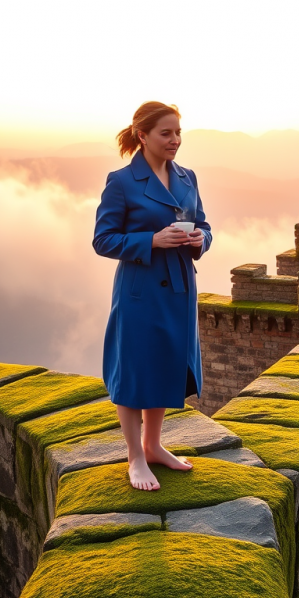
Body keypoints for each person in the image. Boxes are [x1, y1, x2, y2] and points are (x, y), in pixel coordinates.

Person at [93, 102, 212, 491]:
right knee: (135, 369)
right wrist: (152, 240)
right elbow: (103, 240)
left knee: (164, 364)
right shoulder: (122, 181)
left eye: (178, 132)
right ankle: (135, 457)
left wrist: (200, 239)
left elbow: (204, 225)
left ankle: (154, 445)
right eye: (166, 133)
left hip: (179, 288)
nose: (175, 140)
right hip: (140, 291)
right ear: (142, 135)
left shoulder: (187, 177)